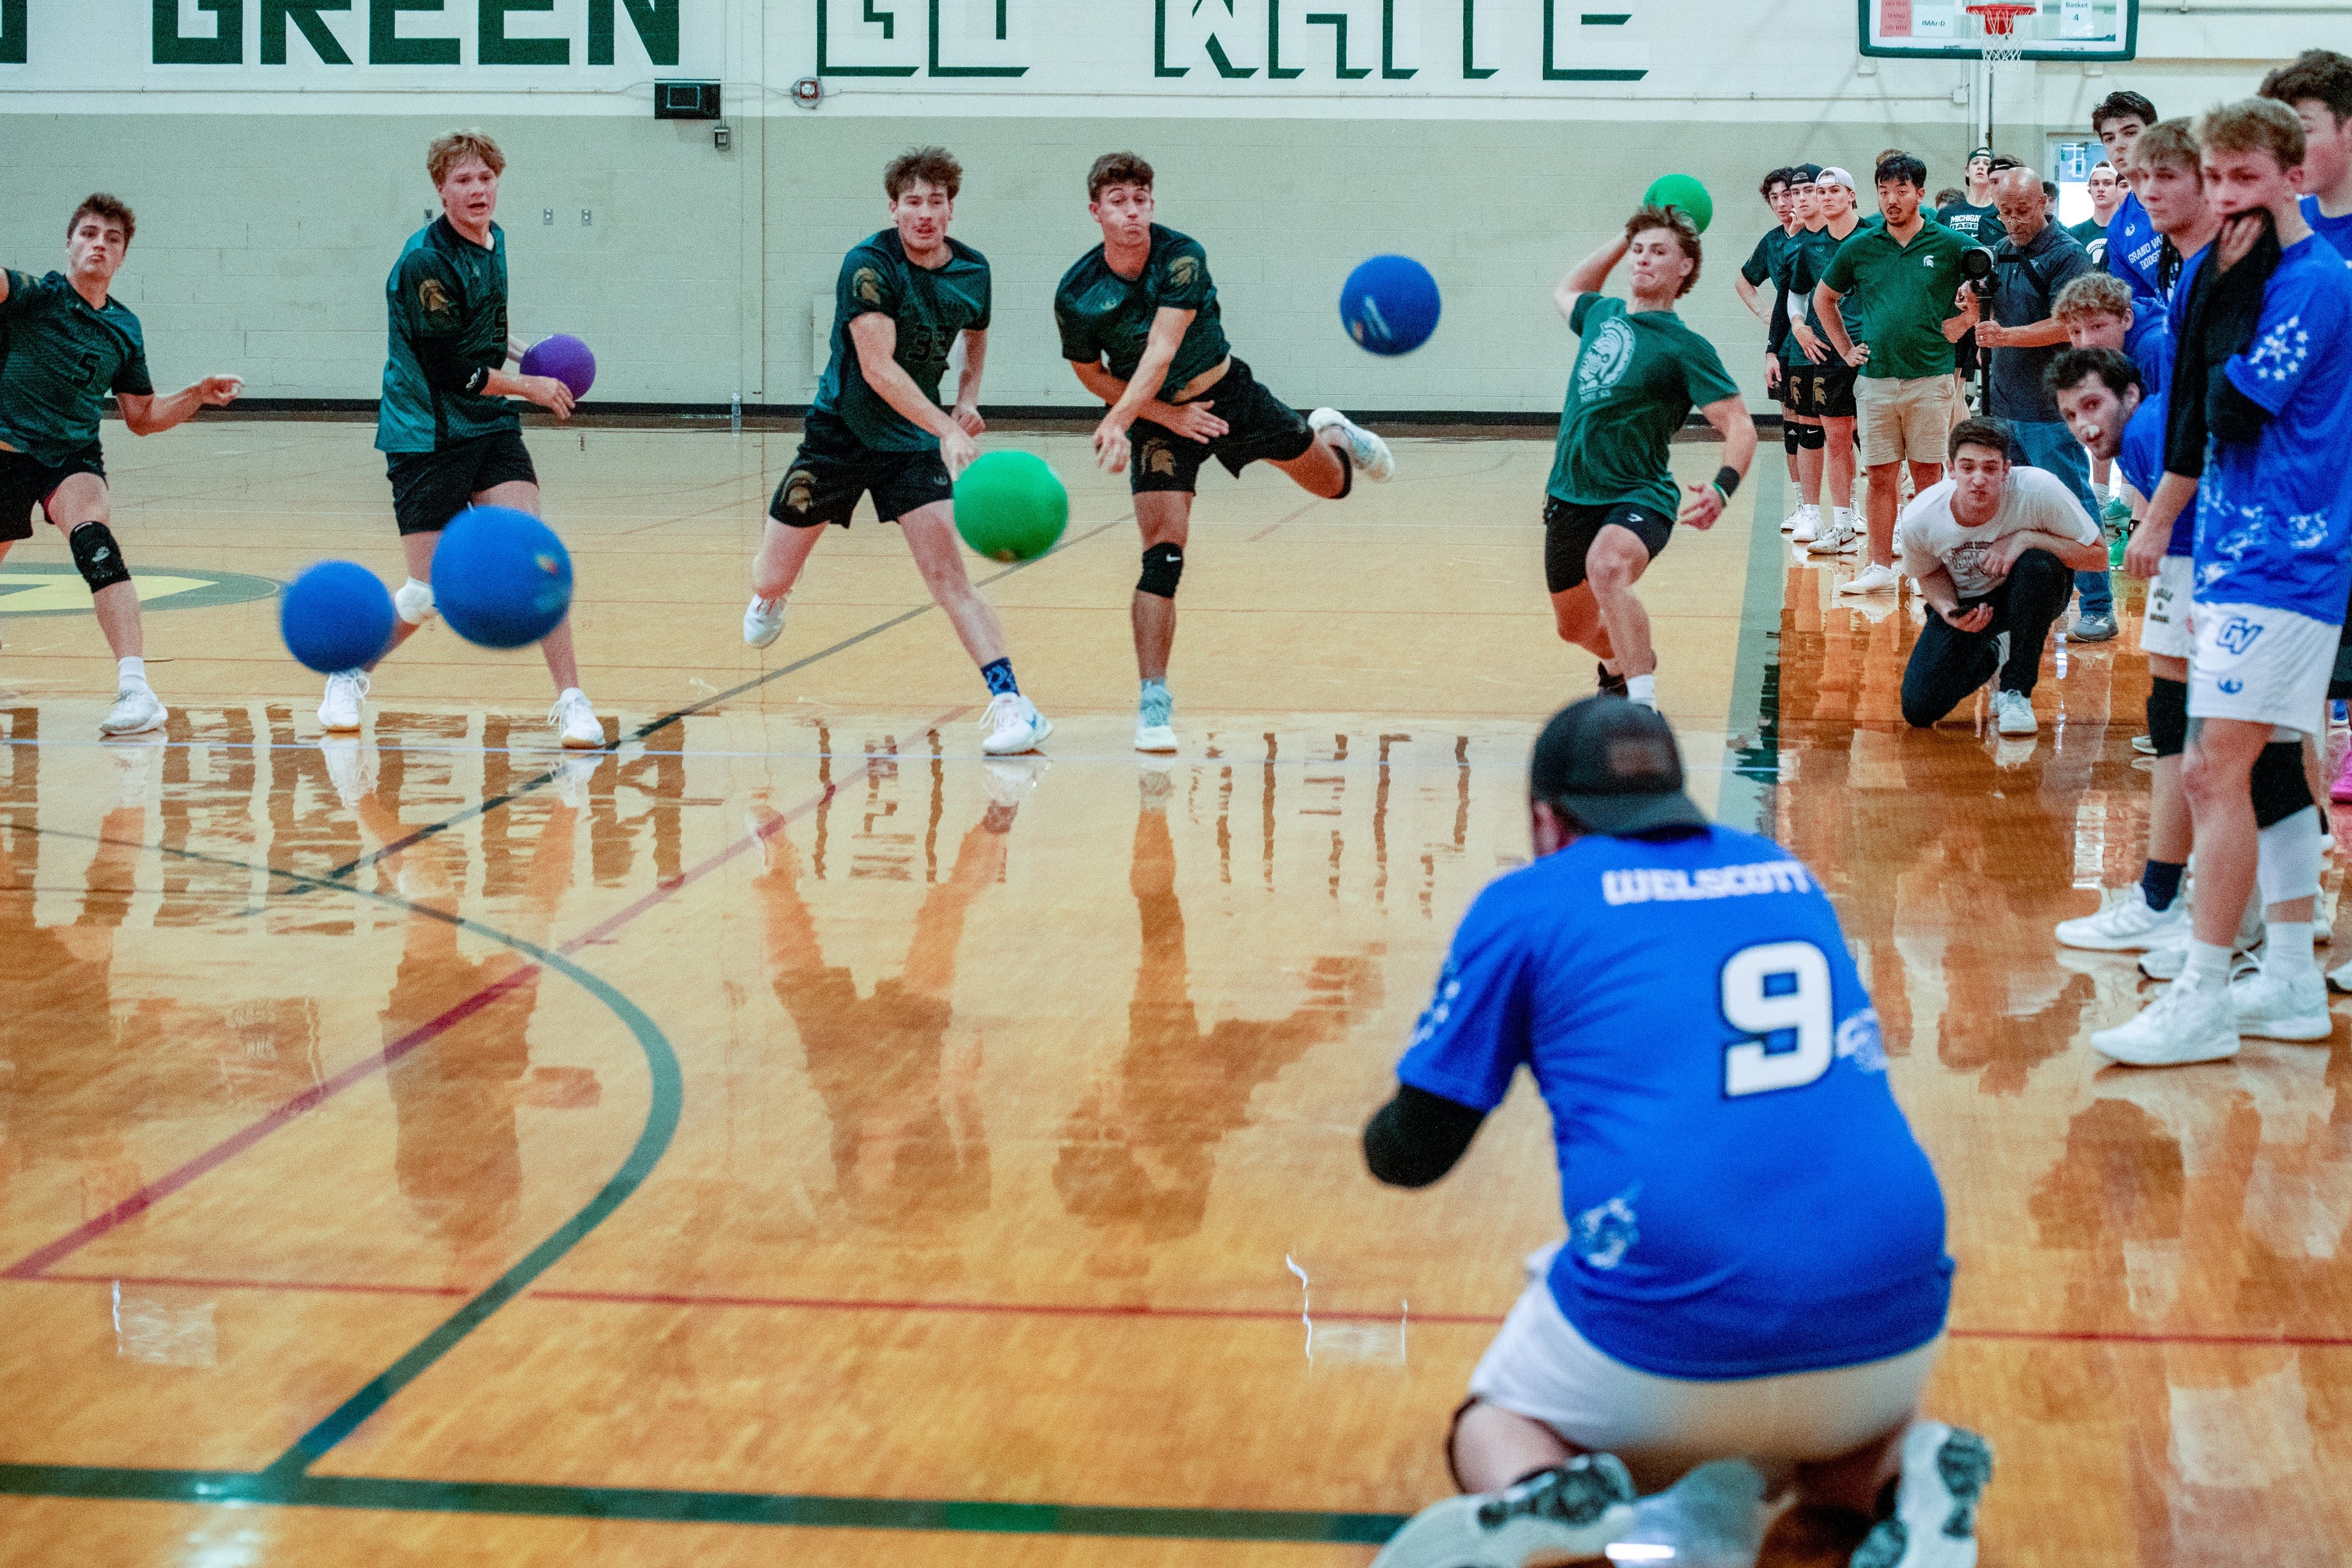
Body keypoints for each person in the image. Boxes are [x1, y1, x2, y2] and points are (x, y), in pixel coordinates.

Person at [1363, 697, 1984, 1568]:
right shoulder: (1783, 872)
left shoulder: (1532, 902)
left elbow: (1414, 1154)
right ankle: (1903, 1469)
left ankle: (1542, 1489)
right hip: (1893, 1316)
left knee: (1495, 1420)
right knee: (1819, 1451)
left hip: (1663, 1347)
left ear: (1547, 819)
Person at [2093, 99, 2352, 1067]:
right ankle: (2287, 973)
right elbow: (2202, 404)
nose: (2231, 196)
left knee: (2211, 769)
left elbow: (2234, 407)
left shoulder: (2316, 281)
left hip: (2291, 555)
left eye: (2248, 179)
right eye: (2221, 178)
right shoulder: (2231, 271)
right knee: (2267, 771)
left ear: (2293, 178)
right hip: (2241, 550)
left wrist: (2211, 326)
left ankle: (2203, 987)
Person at [1057, 153, 1392, 755]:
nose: (1131, 211)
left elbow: (1161, 349)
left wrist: (1118, 418)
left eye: (1141, 198)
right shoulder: (1078, 293)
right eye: (1117, 201)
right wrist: (1155, 415)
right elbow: (1089, 371)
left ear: (1151, 204)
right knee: (1163, 552)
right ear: (1096, 212)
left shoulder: (1181, 256)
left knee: (1334, 484)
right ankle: (1154, 699)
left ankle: (1333, 429)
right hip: (1162, 420)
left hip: (1229, 395)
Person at [745, 146, 1051, 758]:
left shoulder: (973, 270)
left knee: (949, 577)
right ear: (894, 208)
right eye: (913, 202)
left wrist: (967, 398)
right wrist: (947, 426)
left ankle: (1014, 703)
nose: (925, 213)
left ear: (951, 209)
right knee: (771, 572)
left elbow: (976, 335)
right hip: (839, 435)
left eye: (936, 202)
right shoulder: (868, 265)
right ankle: (772, 596)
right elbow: (878, 368)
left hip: (910, 445)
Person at [336, 131, 604, 750]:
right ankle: (350, 671)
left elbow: (482, 330)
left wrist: (528, 356)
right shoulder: (425, 264)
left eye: (485, 178)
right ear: (441, 190)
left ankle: (572, 700)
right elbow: (454, 369)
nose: (477, 190)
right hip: (426, 433)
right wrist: (530, 387)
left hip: (487, 428)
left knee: (536, 557)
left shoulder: (495, 240)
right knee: (427, 593)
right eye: (463, 181)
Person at [0, 195, 242, 736]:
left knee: (95, 540)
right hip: (5, 454)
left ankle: (137, 690)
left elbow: (141, 416)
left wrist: (198, 394)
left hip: (71, 459)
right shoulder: (35, 295)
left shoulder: (124, 328)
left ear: (123, 256)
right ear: (69, 244)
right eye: (88, 234)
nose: (98, 245)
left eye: (111, 239)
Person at [1543, 206, 1755, 710]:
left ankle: (1643, 709)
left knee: (1608, 567)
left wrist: (1723, 488)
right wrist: (1625, 235)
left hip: (1640, 493)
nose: (1642, 260)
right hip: (1569, 494)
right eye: (1638, 252)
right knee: (1573, 628)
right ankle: (1625, 663)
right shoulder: (1602, 314)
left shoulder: (1685, 347)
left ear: (1685, 268)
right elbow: (1566, 289)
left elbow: (1740, 425)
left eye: (1658, 252)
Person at [2049, 349, 2190, 951]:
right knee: (2181, 727)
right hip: (2196, 572)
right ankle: (2193, 909)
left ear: (2130, 394)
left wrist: (2159, 535)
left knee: (2207, 746)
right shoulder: (2143, 434)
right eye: (2070, 414)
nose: (2082, 425)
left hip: (2215, 573)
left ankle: (2172, 905)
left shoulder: (2153, 429)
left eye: (2091, 405)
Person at [1961, 167, 2111, 641]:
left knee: (2073, 507)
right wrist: (1971, 307)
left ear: (2044, 201)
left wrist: (2006, 336)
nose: (2013, 221)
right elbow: (1987, 314)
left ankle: (2099, 605)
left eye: (2022, 210)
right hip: (2004, 404)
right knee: (2019, 512)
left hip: (2050, 408)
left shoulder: (2067, 256)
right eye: (2005, 212)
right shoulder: (2000, 252)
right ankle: (2037, 603)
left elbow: (2070, 323)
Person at [2258, 51, 2352, 807]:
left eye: (2306, 128)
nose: (2289, 147)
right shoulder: (2284, 238)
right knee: (2301, 695)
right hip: (2309, 500)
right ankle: (2309, 863)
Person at [1813, 154, 1973, 596]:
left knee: (1928, 476)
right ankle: (1879, 566)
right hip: (1876, 380)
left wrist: (1961, 325)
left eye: (1901, 191)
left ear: (1920, 194)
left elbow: (1985, 291)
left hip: (1931, 379)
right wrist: (1846, 350)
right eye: (1884, 192)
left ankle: (1927, 568)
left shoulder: (1949, 244)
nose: (1892, 200)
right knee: (1881, 476)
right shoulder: (1861, 245)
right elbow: (1824, 299)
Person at [1896, 418, 2105, 737]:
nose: (1978, 479)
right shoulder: (1920, 517)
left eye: (1990, 469)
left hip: (2034, 590)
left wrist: (2026, 539)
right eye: (1968, 468)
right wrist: (1949, 612)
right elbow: (1929, 573)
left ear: (2007, 469)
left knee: (2038, 566)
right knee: (1919, 709)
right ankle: (1992, 652)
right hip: (1971, 605)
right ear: (1951, 469)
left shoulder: (2040, 488)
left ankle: (2016, 692)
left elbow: (2098, 556)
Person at [1787, 168, 1866, 557]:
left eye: (1835, 190)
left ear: (1852, 195)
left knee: (1882, 443)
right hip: (1829, 354)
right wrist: (1799, 326)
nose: (1827, 197)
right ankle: (1843, 524)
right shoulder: (1810, 247)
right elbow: (1797, 294)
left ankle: (1901, 524)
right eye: (1822, 191)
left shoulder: (1873, 238)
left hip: (1871, 351)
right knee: (1836, 438)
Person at [1733, 167, 1802, 519]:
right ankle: (1803, 505)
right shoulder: (1773, 242)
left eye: (1786, 194)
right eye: (1774, 198)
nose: (1781, 203)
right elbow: (1744, 281)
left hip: (1832, 343)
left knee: (1841, 427)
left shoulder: (1827, 234)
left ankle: (1847, 508)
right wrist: (1766, 315)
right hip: (1788, 346)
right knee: (1792, 421)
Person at [2094, 91, 2168, 325]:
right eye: (2109, 138)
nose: (2120, 145)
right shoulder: (2119, 228)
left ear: (2154, 133)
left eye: (2130, 133)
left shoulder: (2192, 189)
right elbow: (2137, 306)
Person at [2071, 161, 2125, 262]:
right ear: (2089, 191)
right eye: (2095, 184)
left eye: (2107, 183)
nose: (2100, 189)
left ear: (2118, 188)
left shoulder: (2128, 232)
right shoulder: (2074, 234)